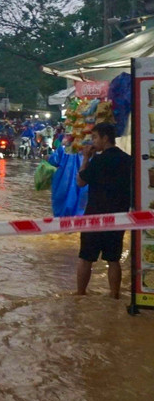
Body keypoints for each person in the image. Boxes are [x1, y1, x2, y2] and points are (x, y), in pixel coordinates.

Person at [75, 124, 132, 298]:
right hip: (118, 217)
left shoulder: (98, 161)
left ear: (105, 138)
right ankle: (115, 296)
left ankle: (80, 294)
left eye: (95, 138)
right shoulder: (128, 160)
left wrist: (86, 158)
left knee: (86, 258)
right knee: (113, 260)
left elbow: (80, 182)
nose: (93, 141)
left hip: (95, 217)